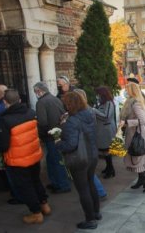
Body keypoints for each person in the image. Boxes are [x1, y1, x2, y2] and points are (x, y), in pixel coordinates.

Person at [0, 89, 49, 224]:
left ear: (5, 102)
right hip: (34, 155)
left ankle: (36, 213)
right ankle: (44, 205)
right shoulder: (30, 112)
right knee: (36, 181)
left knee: (25, 187)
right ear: (19, 99)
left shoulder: (5, 119)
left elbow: (4, 145)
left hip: (18, 161)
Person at [57, 92, 100, 230]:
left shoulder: (72, 121)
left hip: (79, 158)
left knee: (83, 189)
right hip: (92, 155)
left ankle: (90, 220)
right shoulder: (90, 113)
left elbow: (70, 144)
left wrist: (58, 143)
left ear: (70, 104)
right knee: (90, 183)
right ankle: (96, 213)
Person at [33, 82, 71, 194]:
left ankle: (63, 184)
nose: (36, 94)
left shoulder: (41, 102)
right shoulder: (55, 99)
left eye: (36, 92)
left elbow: (43, 122)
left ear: (39, 91)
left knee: (56, 160)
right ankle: (55, 182)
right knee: (52, 159)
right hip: (59, 132)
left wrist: (41, 133)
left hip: (51, 135)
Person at [119, 83, 145, 192]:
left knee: (137, 158)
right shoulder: (130, 101)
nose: (125, 91)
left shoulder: (135, 103)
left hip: (137, 135)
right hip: (133, 133)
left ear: (132, 90)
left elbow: (142, 121)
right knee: (135, 158)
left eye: (127, 89)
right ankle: (141, 180)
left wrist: (127, 122)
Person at [73, 89, 108, 200]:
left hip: (86, 145)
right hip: (89, 144)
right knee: (89, 172)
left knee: (88, 172)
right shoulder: (86, 109)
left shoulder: (85, 111)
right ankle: (99, 192)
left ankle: (100, 193)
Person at [126, 77, 145, 169]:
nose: (126, 90)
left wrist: (127, 122)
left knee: (140, 148)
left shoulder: (137, 99)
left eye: (128, 87)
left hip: (138, 129)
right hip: (136, 128)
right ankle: (143, 170)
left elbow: (142, 118)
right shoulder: (132, 98)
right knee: (139, 150)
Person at [93, 86, 117, 179]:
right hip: (102, 131)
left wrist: (94, 111)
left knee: (107, 151)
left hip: (107, 131)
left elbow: (106, 116)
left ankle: (111, 170)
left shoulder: (109, 103)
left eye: (98, 94)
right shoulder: (102, 103)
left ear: (102, 94)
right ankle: (108, 167)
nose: (97, 96)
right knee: (104, 151)